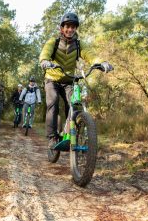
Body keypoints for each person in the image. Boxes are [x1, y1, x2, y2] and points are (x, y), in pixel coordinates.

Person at [39, 12, 113, 147]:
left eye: (73, 27)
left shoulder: (79, 45)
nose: (70, 29)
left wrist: (101, 63)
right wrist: (44, 61)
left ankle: (71, 133)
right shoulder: (53, 42)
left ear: (75, 29)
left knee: (75, 103)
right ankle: (51, 137)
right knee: (53, 101)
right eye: (67, 26)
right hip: (52, 79)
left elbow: (90, 55)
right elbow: (45, 53)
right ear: (62, 28)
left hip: (68, 80)